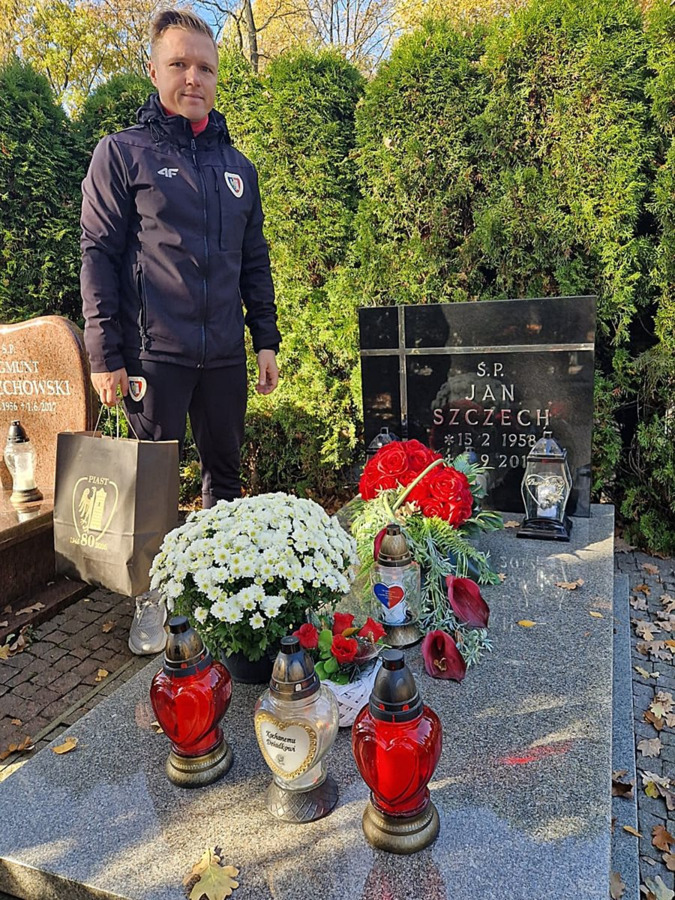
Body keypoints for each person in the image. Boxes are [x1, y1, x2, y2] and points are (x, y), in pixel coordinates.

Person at [80, 8, 281, 654]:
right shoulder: (122, 154)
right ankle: (154, 601)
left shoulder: (238, 168)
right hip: (152, 356)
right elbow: (98, 255)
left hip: (222, 356)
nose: (193, 77)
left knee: (224, 477)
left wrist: (265, 340)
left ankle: (219, 594)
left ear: (217, 77)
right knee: (152, 488)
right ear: (153, 70)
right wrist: (104, 354)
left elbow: (254, 262)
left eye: (205, 68)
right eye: (179, 64)